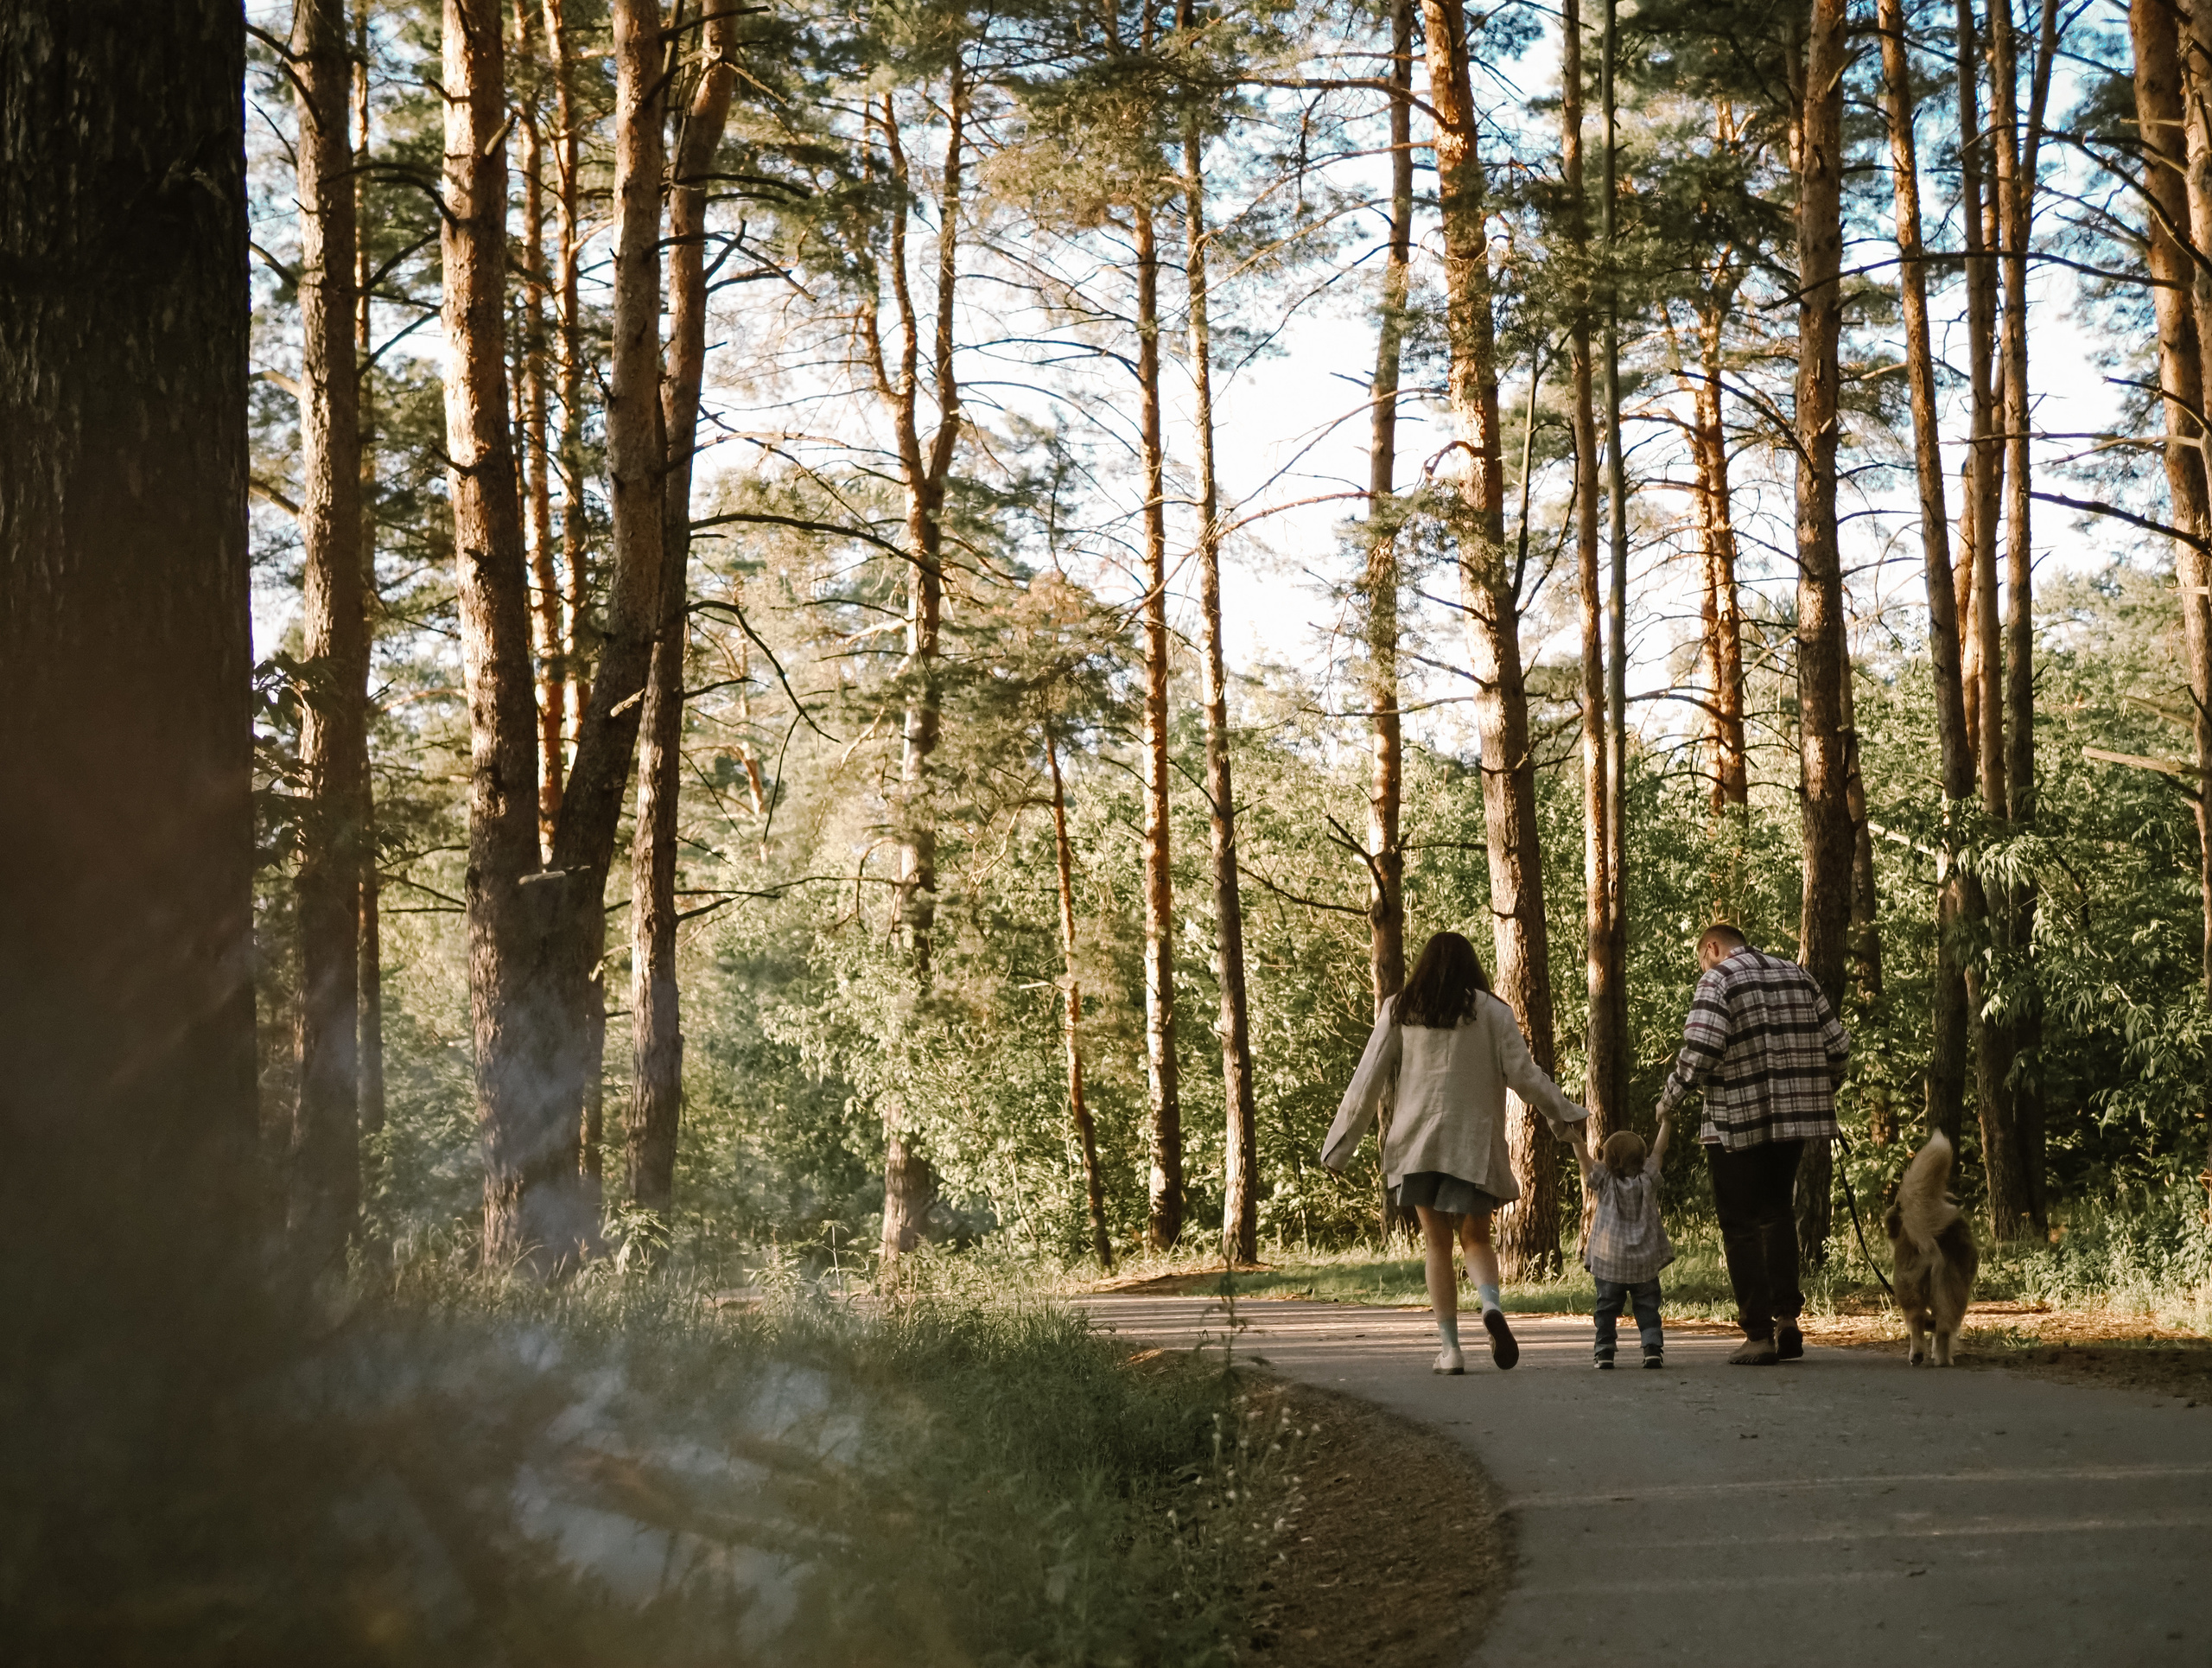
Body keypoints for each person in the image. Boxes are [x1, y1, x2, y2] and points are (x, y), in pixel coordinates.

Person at [1321, 931, 1588, 1375]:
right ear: (1472, 967)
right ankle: (1489, 1306)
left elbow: (1366, 1079)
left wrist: (1338, 1149)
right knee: (1477, 1238)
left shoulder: (1401, 1009)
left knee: (1436, 1244)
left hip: (1417, 1142)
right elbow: (1525, 1075)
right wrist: (1565, 1115)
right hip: (1472, 1144)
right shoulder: (1493, 1012)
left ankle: (1451, 1350)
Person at [1656, 924, 1849, 1366]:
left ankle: (1758, 1334)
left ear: (1712, 947)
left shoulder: (1719, 979)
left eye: (1701, 959)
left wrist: (1671, 1098)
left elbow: (1702, 1047)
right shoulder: (1798, 975)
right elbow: (1838, 1046)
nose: (1701, 967)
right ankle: (1786, 1321)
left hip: (1735, 1120)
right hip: (1793, 1122)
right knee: (1778, 1210)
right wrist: (1821, 1089)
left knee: (1740, 1222)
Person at [1569, 1114, 1674, 1369]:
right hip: (1644, 1260)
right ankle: (1652, 1349)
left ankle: (1604, 1351)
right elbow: (1660, 1151)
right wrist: (1667, 1123)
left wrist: (1576, 1138)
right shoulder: (1647, 1179)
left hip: (1609, 1261)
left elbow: (1584, 1162)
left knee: (1606, 1307)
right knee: (1647, 1305)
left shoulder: (1604, 1181)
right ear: (1641, 1159)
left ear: (1608, 1159)